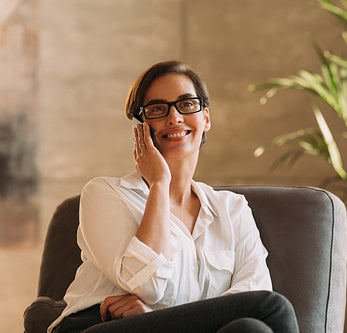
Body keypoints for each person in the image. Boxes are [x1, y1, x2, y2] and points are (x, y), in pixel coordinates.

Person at [48, 61, 299, 333]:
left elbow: (254, 289)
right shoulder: (106, 194)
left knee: (251, 329)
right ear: (139, 126)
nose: (174, 117)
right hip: (99, 327)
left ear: (206, 118)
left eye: (187, 104)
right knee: (275, 308)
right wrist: (159, 183)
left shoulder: (232, 208)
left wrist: (155, 318)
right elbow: (148, 284)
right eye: (157, 109)